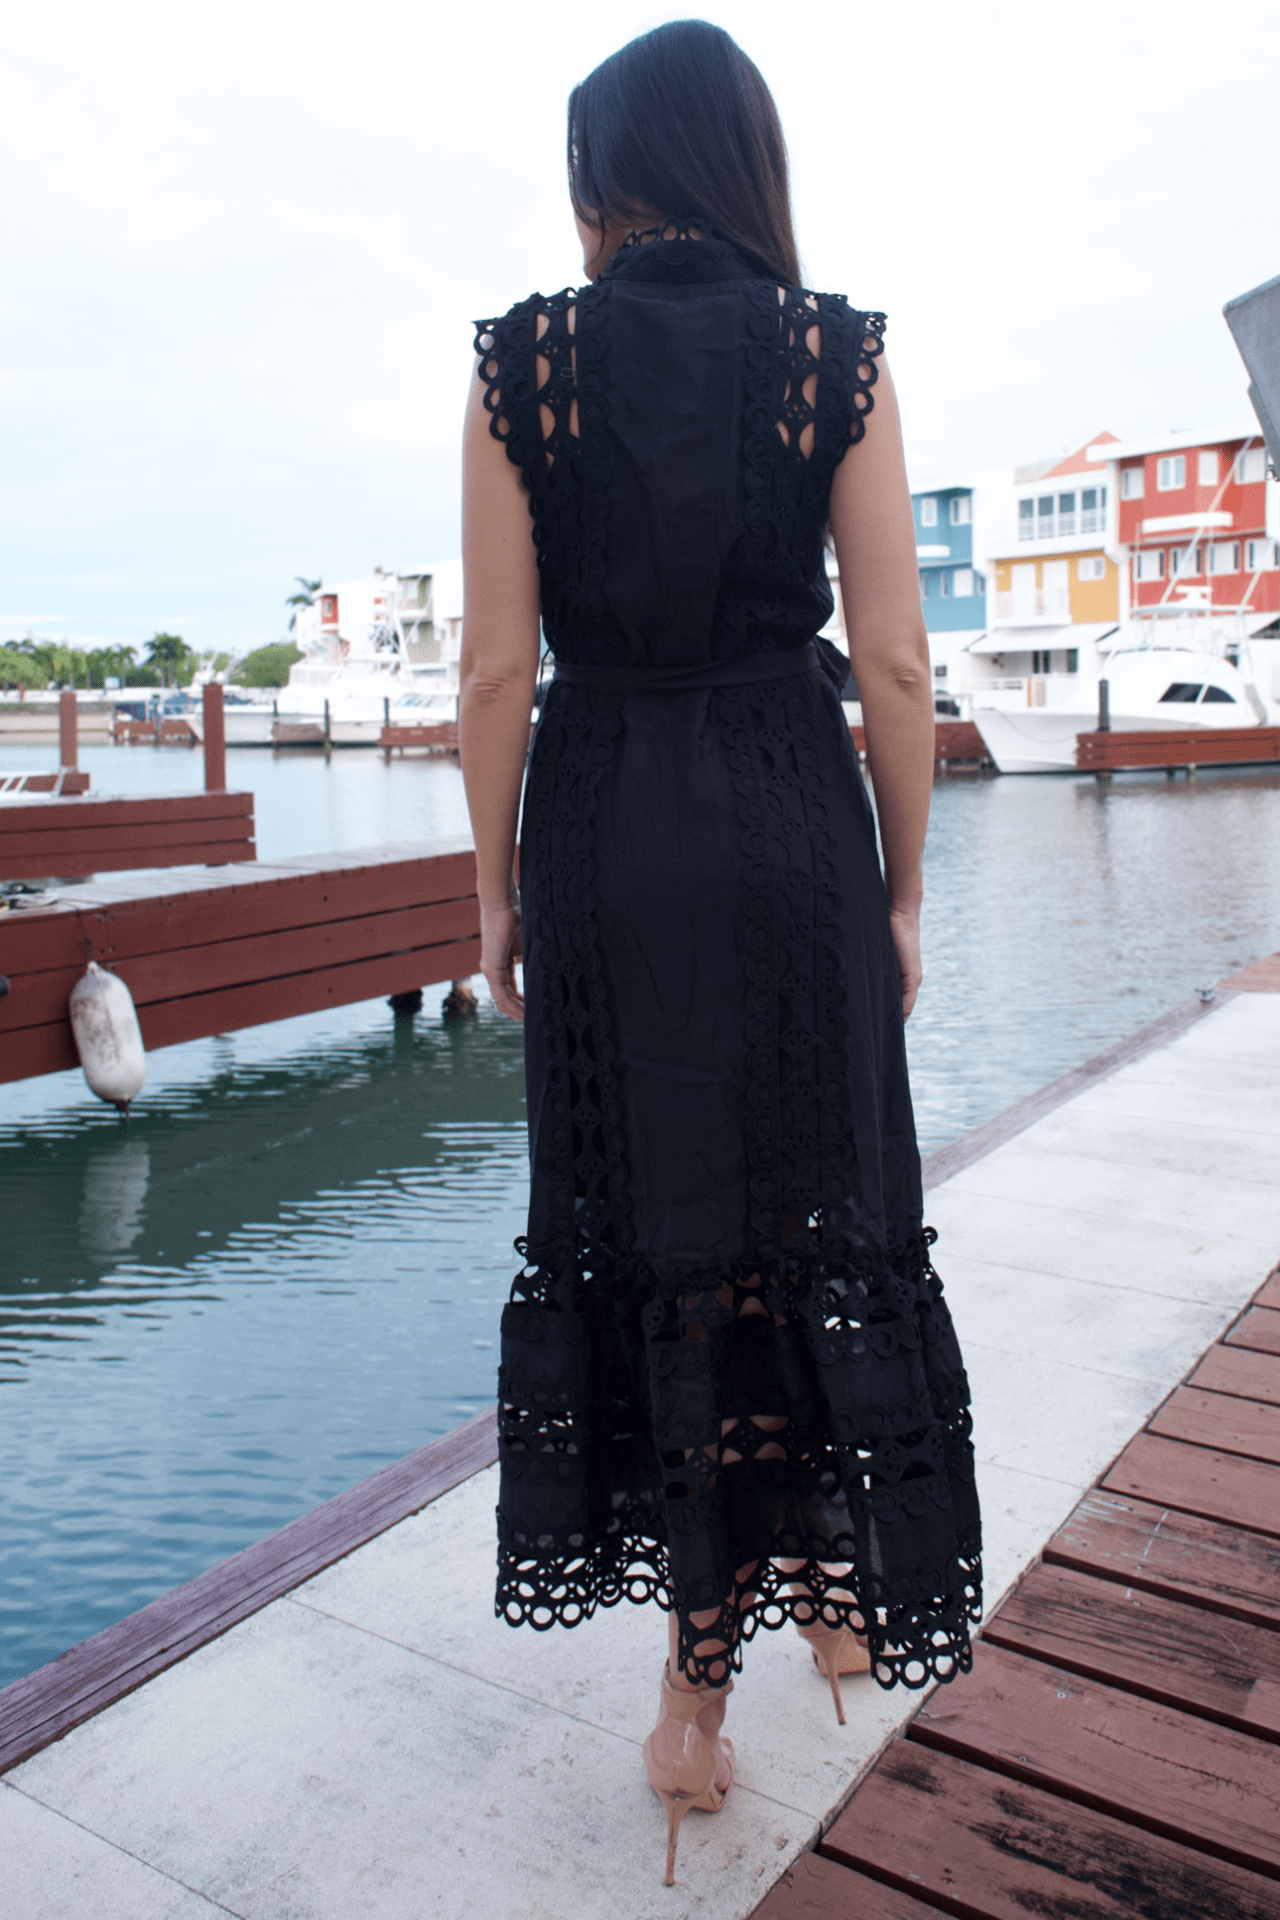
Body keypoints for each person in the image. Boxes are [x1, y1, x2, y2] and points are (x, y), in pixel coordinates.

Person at [459, 19, 981, 1885]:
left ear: (606, 178)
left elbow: (494, 671)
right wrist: (907, 891)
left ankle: (691, 1709)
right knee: (819, 1215)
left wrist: (500, 891)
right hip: (783, 816)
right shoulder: (832, 353)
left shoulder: (527, 361)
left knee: (654, 1236)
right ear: (745, 162)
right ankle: (844, 1595)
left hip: (602, 826)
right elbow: (903, 665)